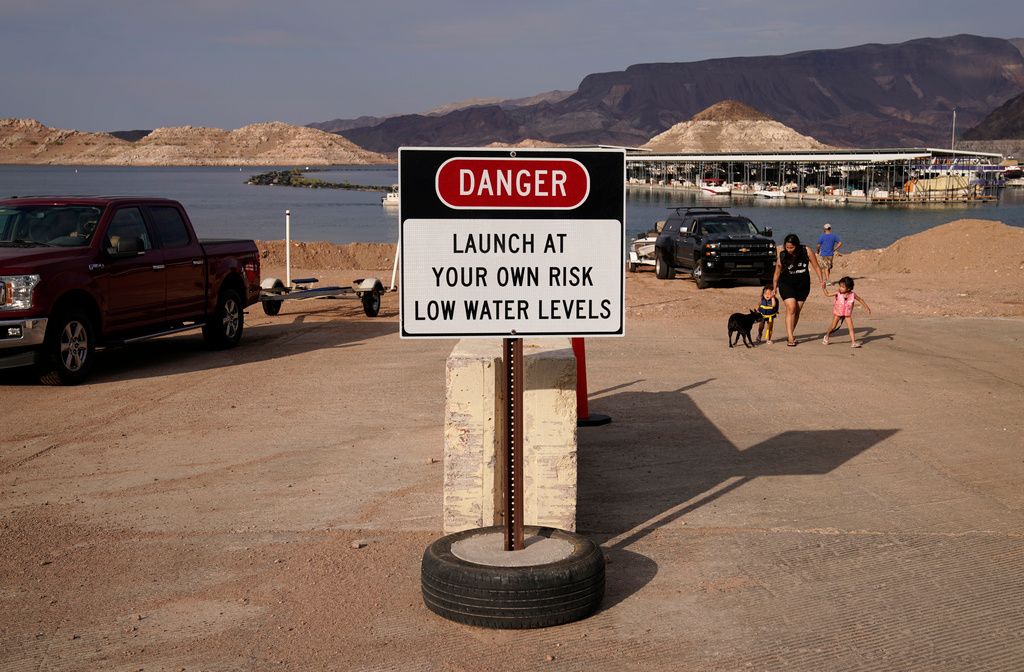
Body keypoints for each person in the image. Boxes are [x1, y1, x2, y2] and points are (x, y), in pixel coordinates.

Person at [772, 233, 825, 346]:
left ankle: (790, 333)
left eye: (792, 247)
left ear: (797, 245)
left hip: (803, 285)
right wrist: (774, 287)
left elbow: (816, 266)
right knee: (791, 308)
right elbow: (777, 272)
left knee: (796, 311)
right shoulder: (782, 255)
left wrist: (822, 280)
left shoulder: (806, 251)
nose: (789, 250)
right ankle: (791, 338)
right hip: (786, 284)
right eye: (787, 247)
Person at [823, 276, 871, 348]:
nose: (840, 288)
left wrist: (867, 307)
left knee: (851, 328)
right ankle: (827, 335)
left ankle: (853, 342)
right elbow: (827, 294)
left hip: (847, 314)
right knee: (833, 327)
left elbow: (860, 299)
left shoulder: (852, 295)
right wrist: (824, 288)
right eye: (840, 286)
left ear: (848, 288)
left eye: (842, 287)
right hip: (838, 313)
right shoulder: (838, 293)